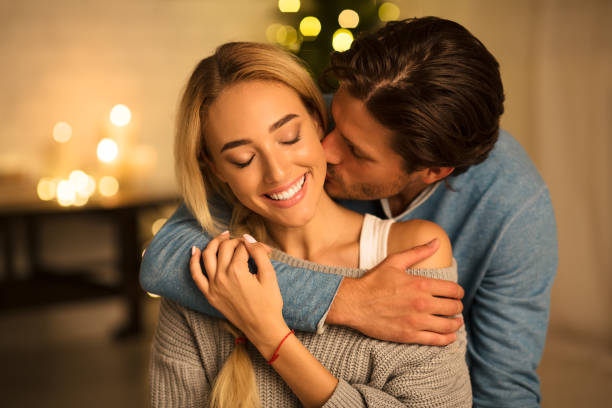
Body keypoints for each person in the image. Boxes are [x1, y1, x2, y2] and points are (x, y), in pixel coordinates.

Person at [141, 17, 557, 407]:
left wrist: (275, 337)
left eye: (355, 150)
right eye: (329, 121)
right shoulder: (322, 116)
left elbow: (503, 386)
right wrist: (344, 299)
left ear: (432, 171)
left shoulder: (514, 213)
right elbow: (164, 258)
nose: (325, 148)